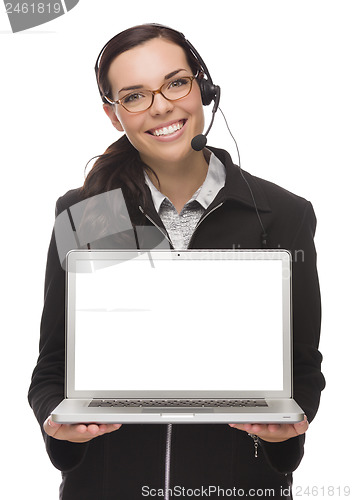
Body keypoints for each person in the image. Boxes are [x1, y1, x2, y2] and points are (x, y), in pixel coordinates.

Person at [28, 23, 325, 499]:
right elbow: (52, 367)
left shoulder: (281, 215)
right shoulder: (92, 213)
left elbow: (304, 367)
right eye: (135, 95)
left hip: (238, 486)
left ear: (203, 87)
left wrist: (290, 425)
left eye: (176, 82)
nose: (162, 106)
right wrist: (57, 421)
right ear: (112, 114)